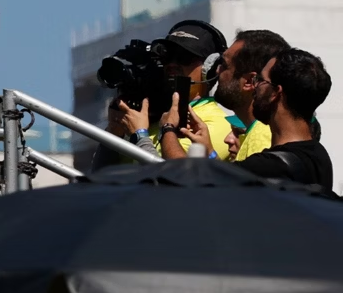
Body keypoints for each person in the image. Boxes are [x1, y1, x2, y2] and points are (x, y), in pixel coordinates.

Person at [91, 20, 233, 169]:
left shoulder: (218, 124)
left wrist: (140, 135)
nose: (172, 64)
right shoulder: (152, 121)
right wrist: (113, 134)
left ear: (210, 68)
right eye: (167, 56)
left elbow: (176, 179)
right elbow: (101, 177)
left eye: (184, 57)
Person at [182, 48, 332, 188]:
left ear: (275, 93)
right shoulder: (320, 157)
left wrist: (168, 129)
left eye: (261, 80)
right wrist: (209, 151)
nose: (255, 86)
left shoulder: (267, 166)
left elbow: (197, 184)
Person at [214, 30, 289, 161]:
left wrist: (169, 131)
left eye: (225, 65)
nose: (217, 70)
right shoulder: (260, 132)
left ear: (249, 81)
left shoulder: (261, 138)